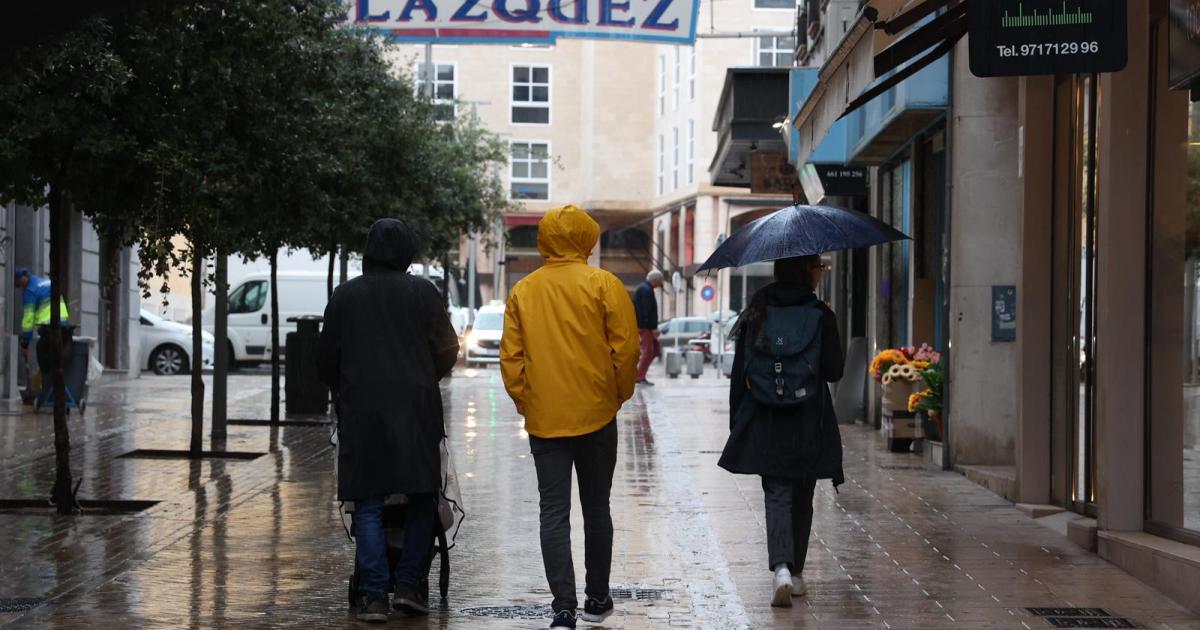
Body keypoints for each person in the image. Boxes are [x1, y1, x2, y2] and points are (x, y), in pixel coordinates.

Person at [500, 205, 639, 630]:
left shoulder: (524, 291)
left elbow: (511, 360)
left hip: (545, 421)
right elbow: (626, 349)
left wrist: (528, 403)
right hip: (597, 415)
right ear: (586, 238)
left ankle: (563, 608)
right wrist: (617, 395)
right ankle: (597, 599)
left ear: (544, 240)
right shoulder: (604, 284)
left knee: (553, 511)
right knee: (597, 508)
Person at [318, 219, 460, 623]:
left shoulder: (345, 296)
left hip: (362, 412)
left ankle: (374, 595)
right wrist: (422, 376)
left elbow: (325, 360)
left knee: (367, 500)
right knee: (421, 496)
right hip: (416, 411)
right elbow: (447, 347)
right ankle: (410, 585)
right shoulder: (423, 293)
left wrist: (348, 386)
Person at [717, 255, 844, 607]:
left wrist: (737, 423)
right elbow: (834, 371)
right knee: (802, 494)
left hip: (765, 416)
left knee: (776, 492)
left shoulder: (756, 311)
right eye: (818, 267)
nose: (821, 272)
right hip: (808, 418)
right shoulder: (821, 315)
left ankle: (782, 569)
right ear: (806, 272)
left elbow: (739, 374)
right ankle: (796, 573)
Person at [15, 267, 69, 400]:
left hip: (49, 327)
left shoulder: (30, 290)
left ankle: (46, 387)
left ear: (24, 278)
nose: (20, 285)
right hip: (64, 325)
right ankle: (53, 388)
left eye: (19, 282)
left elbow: (28, 319)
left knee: (42, 354)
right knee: (57, 357)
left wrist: (25, 342)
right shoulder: (46, 281)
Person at [633, 270, 663, 385]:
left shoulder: (646, 289)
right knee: (648, 351)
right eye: (660, 280)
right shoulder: (646, 290)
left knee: (655, 349)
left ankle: (640, 374)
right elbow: (647, 311)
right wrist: (652, 328)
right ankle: (639, 376)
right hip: (645, 327)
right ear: (655, 279)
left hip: (646, 326)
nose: (661, 283)